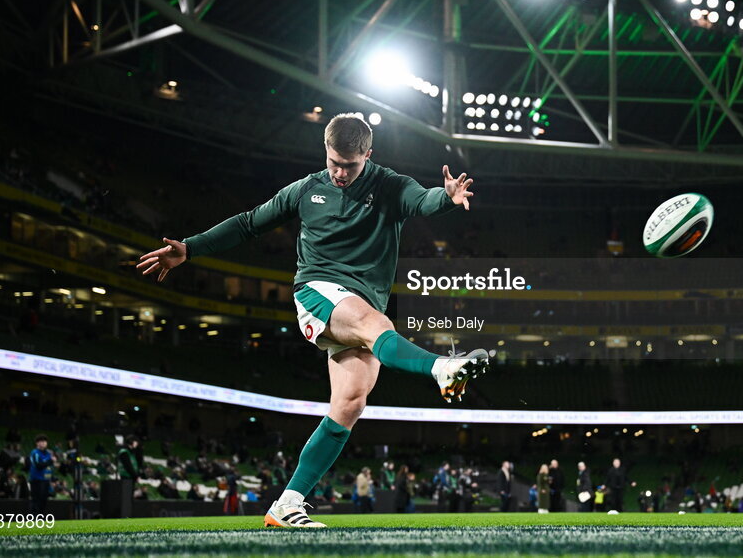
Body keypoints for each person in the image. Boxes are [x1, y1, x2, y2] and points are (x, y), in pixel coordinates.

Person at [137, 114, 484, 529]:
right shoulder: (306, 190)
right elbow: (249, 223)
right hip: (318, 291)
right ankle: (442, 367)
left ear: (368, 156)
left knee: (350, 403)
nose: (339, 172)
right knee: (378, 328)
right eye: (333, 162)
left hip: (363, 301)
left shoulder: (389, 185)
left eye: (350, 165)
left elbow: (421, 200)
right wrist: (189, 249)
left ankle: (286, 504)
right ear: (326, 151)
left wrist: (445, 197)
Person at [27, 434, 55, 512]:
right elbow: (38, 465)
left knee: (44, 500)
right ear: (37, 443)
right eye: (41, 441)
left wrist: (52, 478)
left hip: (46, 480)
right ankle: (33, 518)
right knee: (36, 500)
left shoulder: (48, 453)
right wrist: (50, 461)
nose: (43, 443)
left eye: (45, 441)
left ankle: (40, 518)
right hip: (37, 479)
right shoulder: (35, 453)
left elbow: (50, 467)